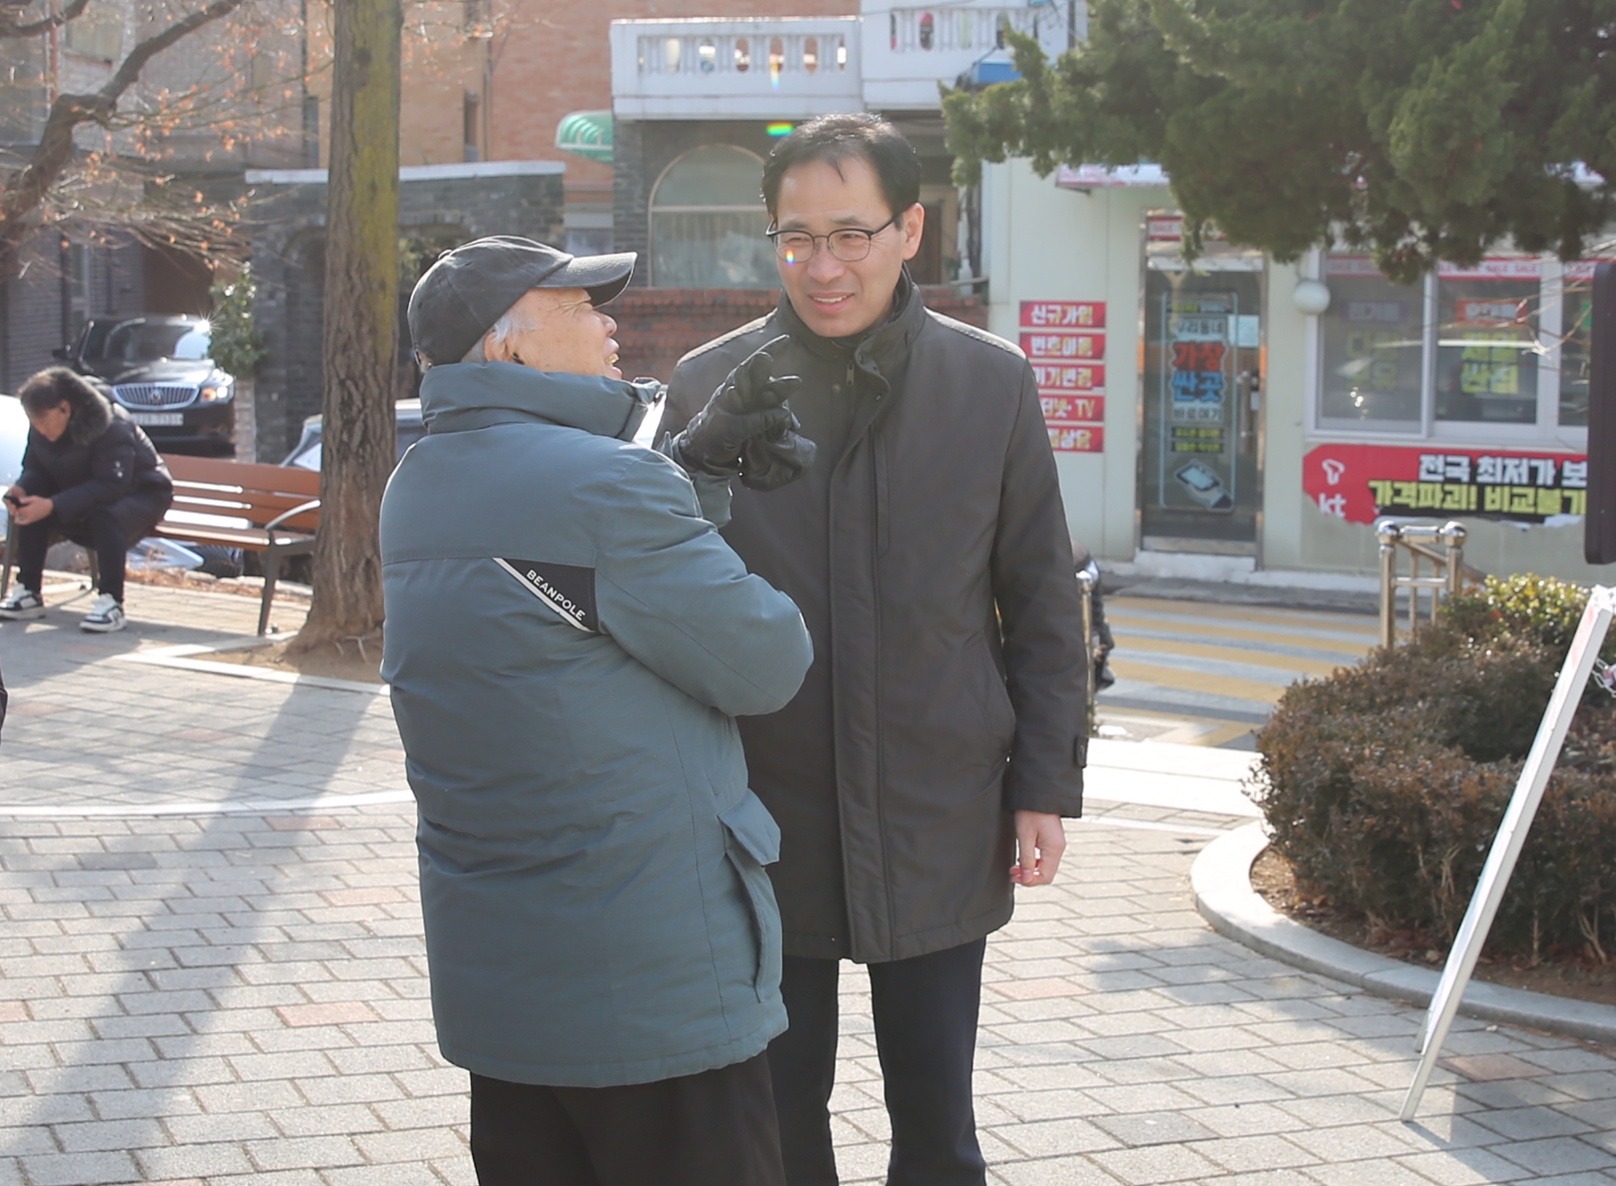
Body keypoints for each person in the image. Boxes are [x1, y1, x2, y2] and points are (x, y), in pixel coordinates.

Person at [662, 114, 1091, 1186]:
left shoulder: (990, 384)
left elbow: (1038, 596)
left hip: (937, 808)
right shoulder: (710, 389)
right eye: (794, 237)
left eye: (850, 234)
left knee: (937, 1128)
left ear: (910, 229)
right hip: (762, 815)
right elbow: (659, 603)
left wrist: (1042, 784)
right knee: (772, 1120)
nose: (821, 265)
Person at [379, 235, 816, 1186]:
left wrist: (687, 473)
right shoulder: (606, 482)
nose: (609, 322)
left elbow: (575, 604)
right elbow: (764, 661)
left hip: (507, 978)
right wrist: (682, 492)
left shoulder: (418, 483)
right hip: (649, 982)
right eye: (578, 306)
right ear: (508, 347)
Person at [0, 367, 174, 633]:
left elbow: (112, 485)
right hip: (83, 491)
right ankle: (29, 592)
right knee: (31, 505)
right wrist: (20, 490)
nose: (41, 428)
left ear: (65, 408)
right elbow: (35, 469)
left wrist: (53, 505)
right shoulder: (41, 427)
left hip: (142, 494)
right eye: (35, 422)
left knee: (107, 515)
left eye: (45, 421)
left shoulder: (111, 423)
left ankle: (111, 602)